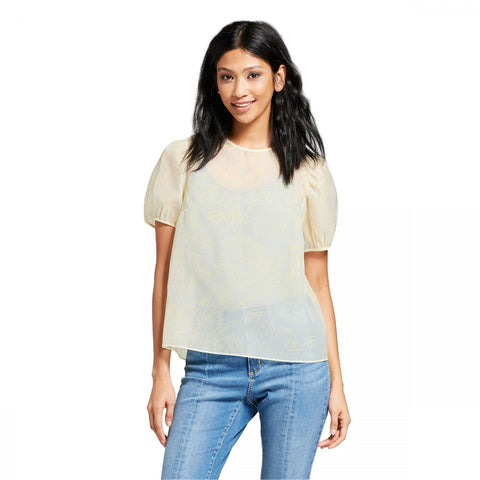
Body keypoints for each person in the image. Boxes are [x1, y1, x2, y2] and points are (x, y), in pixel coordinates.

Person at [144, 20, 351, 480]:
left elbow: (318, 285)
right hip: (210, 368)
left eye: (253, 75)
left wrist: (337, 383)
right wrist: (160, 371)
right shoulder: (182, 163)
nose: (239, 90)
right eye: (227, 76)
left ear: (278, 78)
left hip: (297, 365)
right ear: (214, 83)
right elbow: (163, 273)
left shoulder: (308, 172)